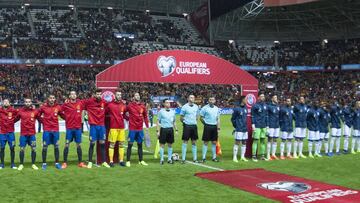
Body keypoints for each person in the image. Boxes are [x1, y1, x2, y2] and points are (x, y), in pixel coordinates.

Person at [83, 89, 110, 168]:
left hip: (101, 126)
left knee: (102, 143)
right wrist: (85, 115)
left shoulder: (104, 102)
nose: (98, 95)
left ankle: (104, 161)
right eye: (97, 94)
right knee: (92, 143)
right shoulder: (89, 102)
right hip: (93, 126)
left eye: (99, 94)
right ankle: (90, 162)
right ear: (94, 94)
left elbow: (111, 106)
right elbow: (82, 107)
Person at [60, 91, 86, 168]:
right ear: (69, 96)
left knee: (78, 145)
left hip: (78, 128)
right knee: (67, 144)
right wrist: (65, 118)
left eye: (74, 94)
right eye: (72, 94)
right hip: (69, 128)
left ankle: (80, 162)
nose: (73, 95)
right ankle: (64, 163)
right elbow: (59, 111)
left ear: (76, 95)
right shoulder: (66, 104)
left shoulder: (80, 103)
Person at [38, 94, 63, 170]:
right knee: (45, 146)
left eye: (53, 98)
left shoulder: (58, 107)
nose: (52, 99)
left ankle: (57, 163)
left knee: (56, 146)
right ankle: (44, 163)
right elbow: (37, 115)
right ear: (48, 99)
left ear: (55, 99)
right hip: (47, 130)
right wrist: (42, 121)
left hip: (55, 130)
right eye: (50, 98)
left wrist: (69, 119)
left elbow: (62, 115)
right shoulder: (43, 107)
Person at [16, 98, 41, 171]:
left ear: (31, 103)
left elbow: (40, 120)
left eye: (29, 102)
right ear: (24, 103)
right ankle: (21, 164)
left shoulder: (35, 111)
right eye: (26, 102)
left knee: (33, 149)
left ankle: (33, 164)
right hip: (23, 134)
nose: (27, 103)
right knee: (21, 149)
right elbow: (15, 119)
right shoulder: (20, 111)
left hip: (32, 134)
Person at [125, 92, 149, 167]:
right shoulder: (130, 105)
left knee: (140, 145)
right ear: (133, 97)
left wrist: (147, 126)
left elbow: (145, 116)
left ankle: (141, 160)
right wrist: (128, 118)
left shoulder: (142, 106)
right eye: (136, 95)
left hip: (140, 129)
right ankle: (128, 161)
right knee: (130, 145)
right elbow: (123, 113)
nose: (137, 96)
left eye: (138, 95)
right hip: (132, 128)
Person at [106, 90, 127, 167]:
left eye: (120, 95)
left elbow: (124, 115)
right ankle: (111, 161)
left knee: (121, 144)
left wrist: (129, 118)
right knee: (112, 144)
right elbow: (105, 113)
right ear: (115, 96)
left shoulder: (123, 105)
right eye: (118, 95)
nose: (119, 96)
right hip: (113, 128)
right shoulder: (110, 105)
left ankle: (121, 160)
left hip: (121, 127)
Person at [156, 98, 178, 165]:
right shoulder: (161, 112)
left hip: (170, 129)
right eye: (167, 102)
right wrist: (157, 131)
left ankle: (169, 159)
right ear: (164, 104)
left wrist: (176, 130)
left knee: (170, 145)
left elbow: (174, 121)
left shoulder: (173, 112)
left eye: (169, 102)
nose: (168, 104)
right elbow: (157, 121)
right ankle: (162, 159)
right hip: (163, 129)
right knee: (162, 145)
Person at [200, 96, 220, 163]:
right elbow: (201, 118)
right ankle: (203, 158)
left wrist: (218, 128)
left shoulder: (217, 108)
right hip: (207, 126)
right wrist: (205, 124)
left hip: (214, 126)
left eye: (213, 100)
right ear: (208, 101)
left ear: (215, 101)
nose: (211, 101)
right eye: (210, 100)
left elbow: (218, 119)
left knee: (214, 142)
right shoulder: (205, 108)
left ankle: (214, 157)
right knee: (206, 142)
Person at [180, 95, 199, 164]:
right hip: (187, 126)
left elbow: (197, 116)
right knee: (185, 142)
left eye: (193, 97)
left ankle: (195, 159)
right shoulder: (184, 107)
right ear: (188, 98)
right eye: (191, 97)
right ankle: (183, 159)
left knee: (194, 142)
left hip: (194, 126)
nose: (192, 98)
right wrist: (186, 123)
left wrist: (194, 121)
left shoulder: (196, 106)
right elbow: (181, 117)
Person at [0, 99, 18, 169]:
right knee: (2, 148)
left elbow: (18, 116)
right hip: (2, 133)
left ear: (9, 103)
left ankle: (12, 164)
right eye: (4, 101)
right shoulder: (0, 110)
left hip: (11, 133)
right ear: (2, 103)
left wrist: (13, 121)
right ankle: (2, 164)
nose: (6, 103)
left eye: (7, 102)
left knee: (12, 148)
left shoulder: (13, 110)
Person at [231, 96, 249, 162]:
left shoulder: (246, 108)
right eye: (245, 99)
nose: (246, 100)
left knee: (244, 142)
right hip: (239, 129)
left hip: (245, 128)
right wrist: (236, 126)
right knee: (237, 142)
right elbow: (232, 119)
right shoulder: (236, 109)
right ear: (242, 100)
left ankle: (242, 157)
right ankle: (234, 157)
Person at [251, 93, 268, 162]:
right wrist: (253, 125)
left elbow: (266, 116)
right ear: (258, 97)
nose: (262, 97)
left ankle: (262, 156)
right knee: (255, 140)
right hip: (257, 126)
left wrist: (267, 126)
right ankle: (254, 156)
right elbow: (252, 116)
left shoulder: (265, 106)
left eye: (263, 96)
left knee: (263, 141)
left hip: (263, 126)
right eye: (261, 96)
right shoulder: (255, 106)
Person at [267, 95, 280, 160]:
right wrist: (267, 126)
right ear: (272, 99)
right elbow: (267, 116)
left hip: (276, 125)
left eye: (276, 97)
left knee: (275, 140)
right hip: (271, 125)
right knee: (270, 139)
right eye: (275, 97)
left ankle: (273, 154)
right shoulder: (269, 106)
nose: (276, 99)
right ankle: (268, 155)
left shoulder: (278, 106)